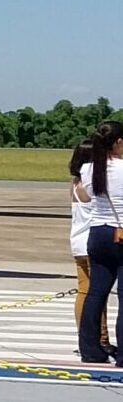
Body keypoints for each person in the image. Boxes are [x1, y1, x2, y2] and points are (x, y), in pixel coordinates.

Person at [81, 121, 123, 364]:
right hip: (120, 233)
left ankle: (90, 349)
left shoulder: (89, 169)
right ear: (118, 142)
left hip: (98, 232)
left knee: (96, 292)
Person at [73, 137, 111, 361]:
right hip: (90, 243)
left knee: (85, 291)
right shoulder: (90, 187)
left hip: (77, 242)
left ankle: (86, 336)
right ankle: (100, 338)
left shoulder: (75, 184)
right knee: (97, 294)